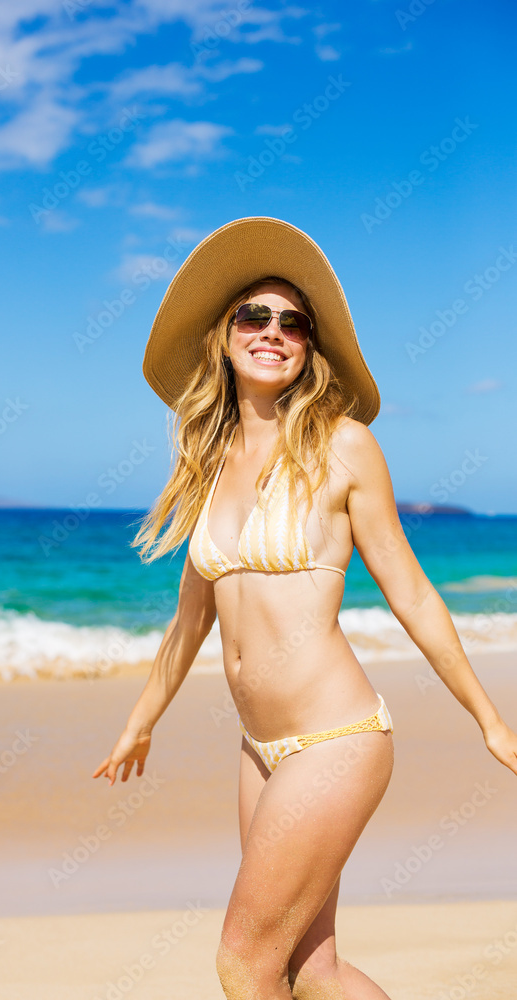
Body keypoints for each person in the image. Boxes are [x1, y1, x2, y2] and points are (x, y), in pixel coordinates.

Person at [93, 216, 517, 999]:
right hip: (260, 750)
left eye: (292, 322)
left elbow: (411, 591)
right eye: (253, 316)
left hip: (337, 739)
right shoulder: (205, 464)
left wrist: (488, 718)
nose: (272, 332)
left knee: (242, 961)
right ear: (224, 337)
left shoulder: (342, 445)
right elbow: (190, 622)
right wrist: (140, 721)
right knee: (308, 967)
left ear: (308, 347)